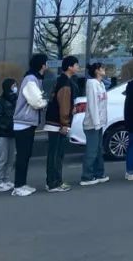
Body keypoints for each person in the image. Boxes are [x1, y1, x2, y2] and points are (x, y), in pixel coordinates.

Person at [11, 53, 48, 196]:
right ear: (42, 65)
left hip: (27, 123)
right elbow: (37, 101)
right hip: (23, 123)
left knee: (25, 155)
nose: (47, 65)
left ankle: (22, 184)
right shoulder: (31, 79)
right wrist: (45, 102)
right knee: (23, 155)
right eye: (46, 63)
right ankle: (18, 186)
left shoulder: (34, 79)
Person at [44, 55, 78, 193]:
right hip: (57, 123)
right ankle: (54, 183)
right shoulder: (65, 83)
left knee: (55, 154)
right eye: (76, 65)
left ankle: (54, 181)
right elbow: (64, 105)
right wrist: (65, 123)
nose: (77, 67)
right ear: (70, 67)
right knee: (56, 155)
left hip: (54, 122)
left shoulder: (60, 80)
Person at [81, 62, 109, 186]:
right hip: (92, 123)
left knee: (98, 149)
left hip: (99, 123)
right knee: (92, 151)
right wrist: (97, 122)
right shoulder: (91, 83)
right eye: (102, 68)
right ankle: (86, 176)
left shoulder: (101, 84)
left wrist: (102, 121)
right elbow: (93, 104)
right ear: (97, 71)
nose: (104, 70)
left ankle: (99, 173)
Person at [0, 78, 17, 193]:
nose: (15, 88)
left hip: (12, 133)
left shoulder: (15, 99)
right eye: (13, 86)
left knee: (11, 158)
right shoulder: (0, 101)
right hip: (1, 133)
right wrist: (9, 125)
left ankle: (6, 179)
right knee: (2, 157)